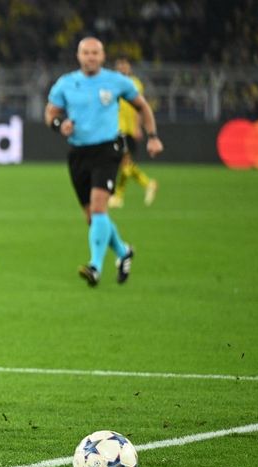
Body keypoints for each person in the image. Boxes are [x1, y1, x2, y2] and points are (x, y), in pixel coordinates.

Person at [44, 37, 164, 287]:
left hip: (108, 150)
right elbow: (51, 112)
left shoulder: (117, 81)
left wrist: (153, 136)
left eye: (95, 53)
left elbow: (142, 107)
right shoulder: (66, 83)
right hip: (78, 153)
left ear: (102, 56)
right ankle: (123, 251)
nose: (90, 57)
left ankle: (95, 267)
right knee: (92, 218)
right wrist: (59, 124)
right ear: (78, 56)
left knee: (99, 208)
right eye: (86, 52)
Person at [108, 57, 158, 208]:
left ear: (129, 67)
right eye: (119, 65)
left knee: (124, 162)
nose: (122, 67)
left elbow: (139, 107)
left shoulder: (135, 83)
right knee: (124, 162)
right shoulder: (112, 83)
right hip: (116, 127)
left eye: (124, 64)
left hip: (127, 128)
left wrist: (137, 127)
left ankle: (120, 195)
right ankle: (146, 185)